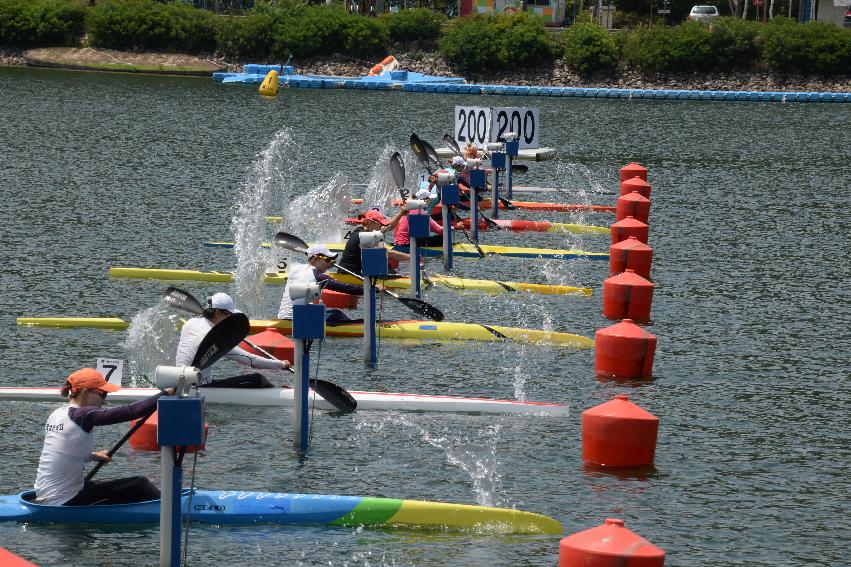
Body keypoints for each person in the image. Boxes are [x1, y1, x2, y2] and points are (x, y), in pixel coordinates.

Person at [34, 368, 174, 506]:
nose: (104, 400)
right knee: (141, 485)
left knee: (96, 485)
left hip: (44, 493)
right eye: (102, 394)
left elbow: (60, 450)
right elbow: (131, 412)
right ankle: (171, 509)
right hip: (63, 501)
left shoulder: (56, 415)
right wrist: (165, 394)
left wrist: (93, 455)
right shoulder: (84, 415)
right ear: (84, 393)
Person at [175, 292, 289, 388]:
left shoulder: (190, 323)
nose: (231, 319)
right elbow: (251, 360)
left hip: (180, 379)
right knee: (257, 379)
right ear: (218, 313)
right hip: (200, 387)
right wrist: (280, 364)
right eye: (229, 315)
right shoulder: (214, 338)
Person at [278, 244, 370, 323]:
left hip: (283, 316)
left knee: (320, 309)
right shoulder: (319, 277)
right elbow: (348, 289)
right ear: (314, 259)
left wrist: (324, 265)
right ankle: (359, 326)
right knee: (337, 314)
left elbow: (309, 272)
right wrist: (374, 289)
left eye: (330, 260)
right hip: (297, 320)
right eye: (326, 259)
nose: (328, 263)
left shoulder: (295, 268)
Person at [337, 209, 409, 276]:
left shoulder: (367, 229)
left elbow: (388, 227)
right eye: (380, 224)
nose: (381, 226)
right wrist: (411, 257)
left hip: (355, 274)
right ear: (371, 222)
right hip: (348, 276)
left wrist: (401, 213)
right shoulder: (363, 235)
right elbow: (385, 252)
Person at [394, 184, 463, 248]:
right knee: (442, 237)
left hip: (398, 243)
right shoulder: (421, 213)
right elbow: (440, 230)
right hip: (408, 245)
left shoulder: (405, 211)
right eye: (428, 200)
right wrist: (456, 227)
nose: (429, 201)